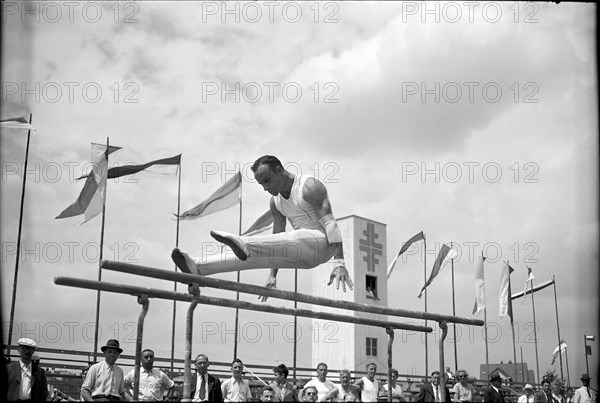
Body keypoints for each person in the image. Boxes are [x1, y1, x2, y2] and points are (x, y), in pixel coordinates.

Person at [172, 155, 354, 300]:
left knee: (286, 238)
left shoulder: (309, 186)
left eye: (267, 180)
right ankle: (199, 267)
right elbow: (277, 238)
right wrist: (272, 276)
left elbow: (330, 223)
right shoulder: (275, 203)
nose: (265, 188)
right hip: (303, 255)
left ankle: (245, 243)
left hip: (322, 244)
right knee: (252, 257)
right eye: (261, 184)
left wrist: (339, 263)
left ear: (279, 170)